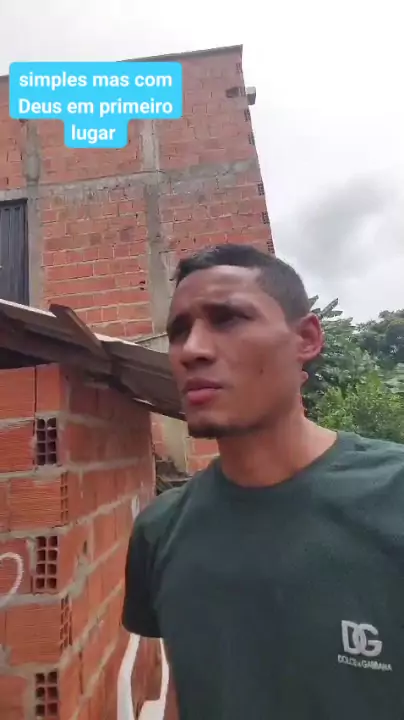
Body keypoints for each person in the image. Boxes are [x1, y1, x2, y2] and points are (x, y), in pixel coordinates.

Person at [122, 243, 404, 720]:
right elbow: (184, 693)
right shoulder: (160, 529)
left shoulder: (394, 494)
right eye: (179, 331)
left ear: (306, 339)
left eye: (228, 319)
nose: (192, 350)